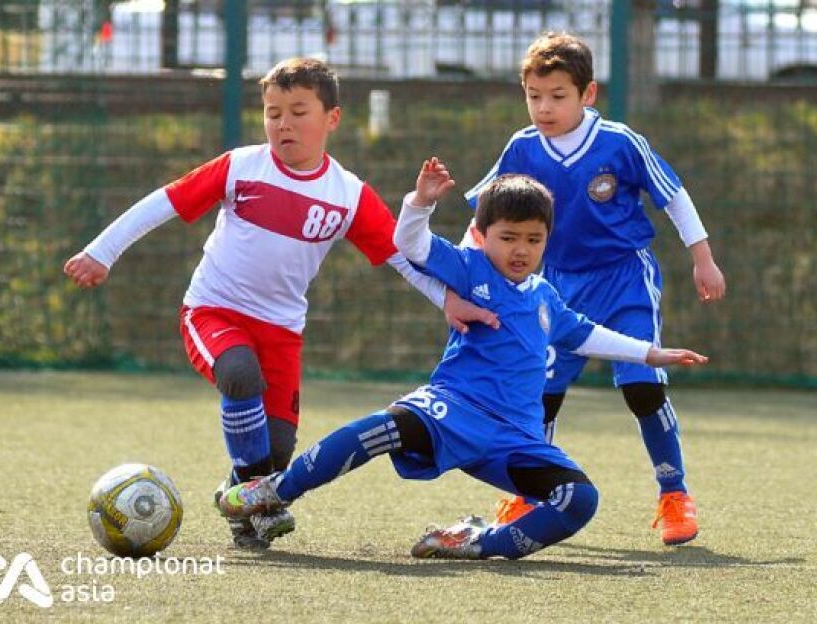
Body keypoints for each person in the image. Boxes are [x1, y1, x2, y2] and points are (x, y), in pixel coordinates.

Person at [63, 58, 495, 549]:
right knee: (240, 375)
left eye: (298, 112)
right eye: (273, 113)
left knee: (279, 449)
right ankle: (257, 504)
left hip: (282, 332)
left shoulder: (347, 194)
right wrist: (102, 252)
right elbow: (166, 201)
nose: (283, 124)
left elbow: (401, 257)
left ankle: (237, 498)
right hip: (212, 310)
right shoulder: (241, 166)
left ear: (332, 118)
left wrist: (446, 300)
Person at [217, 161, 708, 560]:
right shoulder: (470, 268)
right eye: (508, 237)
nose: (520, 250)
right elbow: (410, 245)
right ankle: (276, 490)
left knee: (580, 500)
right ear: (482, 233)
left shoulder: (544, 297)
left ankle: (475, 542)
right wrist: (421, 203)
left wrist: (650, 352)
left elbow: (584, 334)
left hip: (514, 439)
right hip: (450, 410)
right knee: (379, 429)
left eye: (533, 239)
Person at [459, 32, 727, 546]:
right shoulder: (521, 147)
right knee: (540, 396)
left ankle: (674, 494)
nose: (544, 107)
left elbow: (674, 196)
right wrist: (465, 275)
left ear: (588, 94)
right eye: (534, 96)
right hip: (555, 286)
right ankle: (528, 492)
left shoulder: (620, 143)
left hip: (624, 279)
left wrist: (703, 258)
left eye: (558, 96)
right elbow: (484, 217)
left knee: (642, 386)